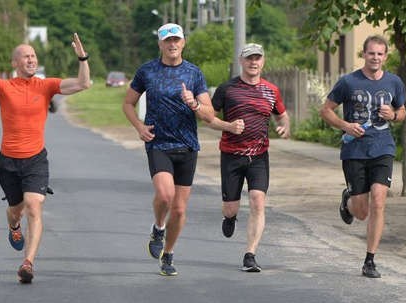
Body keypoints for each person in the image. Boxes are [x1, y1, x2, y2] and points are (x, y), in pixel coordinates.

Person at [0, 31, 91, 283]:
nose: (31, 60)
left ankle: (28, 263)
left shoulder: (46, 85)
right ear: (15, 63)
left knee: (34, 206)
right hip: (8, 162)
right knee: (15, 210)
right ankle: (13, 226)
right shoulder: (3, 87)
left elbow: (83, 84)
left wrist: (82, 58)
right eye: (25, 56)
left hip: (35, 160)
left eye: (33, 56)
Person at [121, 23, 221, 276]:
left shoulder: (194, 73)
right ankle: (158, 227)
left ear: (183, 43)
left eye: (176, 40)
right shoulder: (147, 71)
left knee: (179, 209)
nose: (172, 44)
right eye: (167, 41)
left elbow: (210, 115)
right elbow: (128, 104)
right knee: (165, 196)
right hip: (158, 142)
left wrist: (195, 103)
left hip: (187, 145)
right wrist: (139, 127)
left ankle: (169, 254)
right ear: (160, 44)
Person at [319, 35, 406, 278]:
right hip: (355, 151)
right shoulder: (348, 82)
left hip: (383, 148)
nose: (375, 58)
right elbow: (325, 111)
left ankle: (370, 260)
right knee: (361, 212)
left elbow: (402, 112)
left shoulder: (394, 82)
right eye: (371, 53)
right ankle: (347, 200)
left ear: (385, 57)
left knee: (379, 200)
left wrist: (394, 115)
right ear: (364, 55)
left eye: (380, 54)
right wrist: (346, 126)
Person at [208, 43, 290, 272]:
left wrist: (284, 128)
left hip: (259, 156)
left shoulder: (271, 90)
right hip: (231, 156)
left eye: (258, 58)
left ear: (263, 61)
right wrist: (228, 126)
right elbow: (209, 118)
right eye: (249, 58)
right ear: (241, 61)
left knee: (257, 201)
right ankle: (230, 217)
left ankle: (250, 254)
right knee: (230, 208)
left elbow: (283, 116)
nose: (254, 62)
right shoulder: (227, 89)